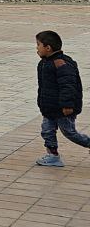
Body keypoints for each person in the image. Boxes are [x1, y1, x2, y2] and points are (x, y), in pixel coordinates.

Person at [34, 30, 89, 166]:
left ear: (48, 48)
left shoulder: (61, 64)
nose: (36, 48)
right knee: (47, 130)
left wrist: (67, 105)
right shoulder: (43, 63)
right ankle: (53, 155)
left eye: (38, 45)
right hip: (50, 107)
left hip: (63, 108)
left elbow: (68, 86)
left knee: (69, 132)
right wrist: (42, 103)